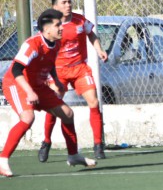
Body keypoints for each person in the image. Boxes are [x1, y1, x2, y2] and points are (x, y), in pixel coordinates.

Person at [1, 9, 96, 177]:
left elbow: (50, 63)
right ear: (47, 29)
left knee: (67, 113)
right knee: (28, 118)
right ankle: (3, 159)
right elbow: (16, 69)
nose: (62, 28)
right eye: (58, 25)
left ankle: (73, 155)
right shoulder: (32, 44)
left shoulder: (56, 42)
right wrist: (29, 92)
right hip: (17, 84)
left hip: (38, 85)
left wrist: (57, 81)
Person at [39, 0, 109, 161]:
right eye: (63, 2)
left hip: (79, 69)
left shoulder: (80, 20)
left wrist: (99, 49)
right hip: (58, 71)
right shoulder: (50, 26)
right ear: (55, 7)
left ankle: (98, 145)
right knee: (54, 107)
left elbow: (91, 34)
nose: (68, 5)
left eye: (69, 2)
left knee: (93, 101)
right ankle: (46, 142)